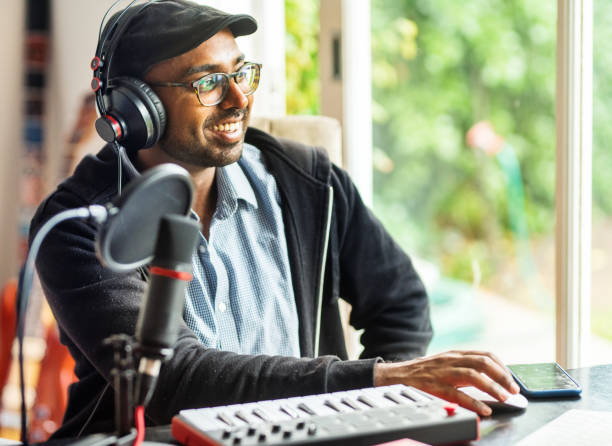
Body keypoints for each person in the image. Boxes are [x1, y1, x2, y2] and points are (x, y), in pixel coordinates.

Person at [31, 0, 519, 438]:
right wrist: (378, 380)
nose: (238, 99)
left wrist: (383, 413)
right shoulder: (80, 225)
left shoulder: (309, 181)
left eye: (241, 74)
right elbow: (174, 378)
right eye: (207, 82)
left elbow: (402, 301)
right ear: (137, 109)